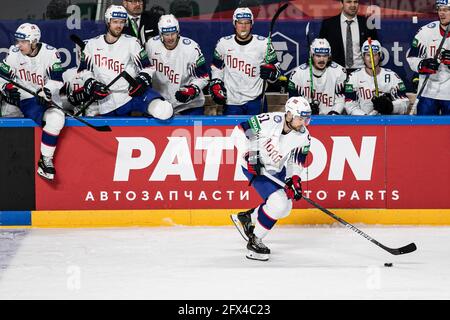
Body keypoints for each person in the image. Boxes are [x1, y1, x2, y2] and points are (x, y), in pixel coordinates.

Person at [230, 96, 312, 261]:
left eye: (305, 118)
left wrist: (294, 178)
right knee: (278, 203)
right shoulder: (269, 120)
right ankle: (255, 240)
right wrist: (250, 155)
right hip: (255, 168)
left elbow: (295, 161)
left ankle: (248, 217)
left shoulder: (303, 136)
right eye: (299, 118)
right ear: (289, 114)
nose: (302, 122)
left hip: (276, 169)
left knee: (286, 207)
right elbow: (240, 131)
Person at [77, 5, 173, 120]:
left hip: (131, 95)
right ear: (108, 22)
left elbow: (147, 67)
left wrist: (141, 80)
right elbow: (83, 70)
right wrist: (92, 85)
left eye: (122, 22)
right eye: (115, 22)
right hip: (106, 100)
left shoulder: (132, 42)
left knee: (164, 110)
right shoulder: (91, 45)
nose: (119, 26)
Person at [0, 23, 65, 180]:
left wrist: (47, 90)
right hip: (19, 96)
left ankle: (46, 160)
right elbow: (1, 76)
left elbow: (57, 80)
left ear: (34, 41)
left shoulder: (51, 54)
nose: (18, 45)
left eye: (23, 42)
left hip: (41, 97)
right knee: (6, 121)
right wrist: (6, 88)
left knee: (56, 119)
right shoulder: (14, 53)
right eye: (18, 41)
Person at [210, 7, 280, 115]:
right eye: (240, 23)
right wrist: (216, 83)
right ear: (234, 24)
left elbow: (277, 69)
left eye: (247, 23)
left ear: (251, 24)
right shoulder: (223, 43)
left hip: (256, 100)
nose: (243, 26)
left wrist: (272, 73)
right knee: (233, 132)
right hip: (231, 101)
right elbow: (216, 68)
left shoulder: (264, 44)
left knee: (257, 132)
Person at [145, 14, 209, 115]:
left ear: (178, 31)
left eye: (173, 33)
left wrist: (192, 89)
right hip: (161, 105)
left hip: (189, 104)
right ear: (160, 34)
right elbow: (145, 70)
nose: (170, 38)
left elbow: (203, 77)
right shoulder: (150, 45)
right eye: (166, 34)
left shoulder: (191, 48)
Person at [406, 0, 450, 115]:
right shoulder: (425, 31)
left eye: (446, 10)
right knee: (423, 131)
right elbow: (412, 57)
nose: (441, 13)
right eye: (440, 10)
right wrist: (422, 65)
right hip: (428, 92)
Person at [344, 40, 409, 115]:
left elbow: (405, 103)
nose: (371, 59)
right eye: (368, 55)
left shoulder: (392, 76)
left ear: (380, 56)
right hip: (362, 122)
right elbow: (349, 104)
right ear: (363, 57)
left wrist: (390, 106)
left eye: (374, 55)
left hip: (386, 123)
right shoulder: (354, 77)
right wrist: (365, 118)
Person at [288, 38, 347, 115]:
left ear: (329, 56)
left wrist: (333, 114)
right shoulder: (297, 74)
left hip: (332, 119)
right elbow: (293, 101)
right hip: (304, 119)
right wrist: (305, 110)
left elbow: (341, 99)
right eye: (318, 56)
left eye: (325, 56)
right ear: (312, 55)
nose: (322, 59)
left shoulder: (339, 72)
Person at [319, 0, 378, 72]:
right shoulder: (329, 24)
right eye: (349, 2)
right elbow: (321, 50)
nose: (353, 5)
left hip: (362, 72)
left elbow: (375, 49)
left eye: (355, 2)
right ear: (341, 4)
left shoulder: (367, 23)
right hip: (336, 72)